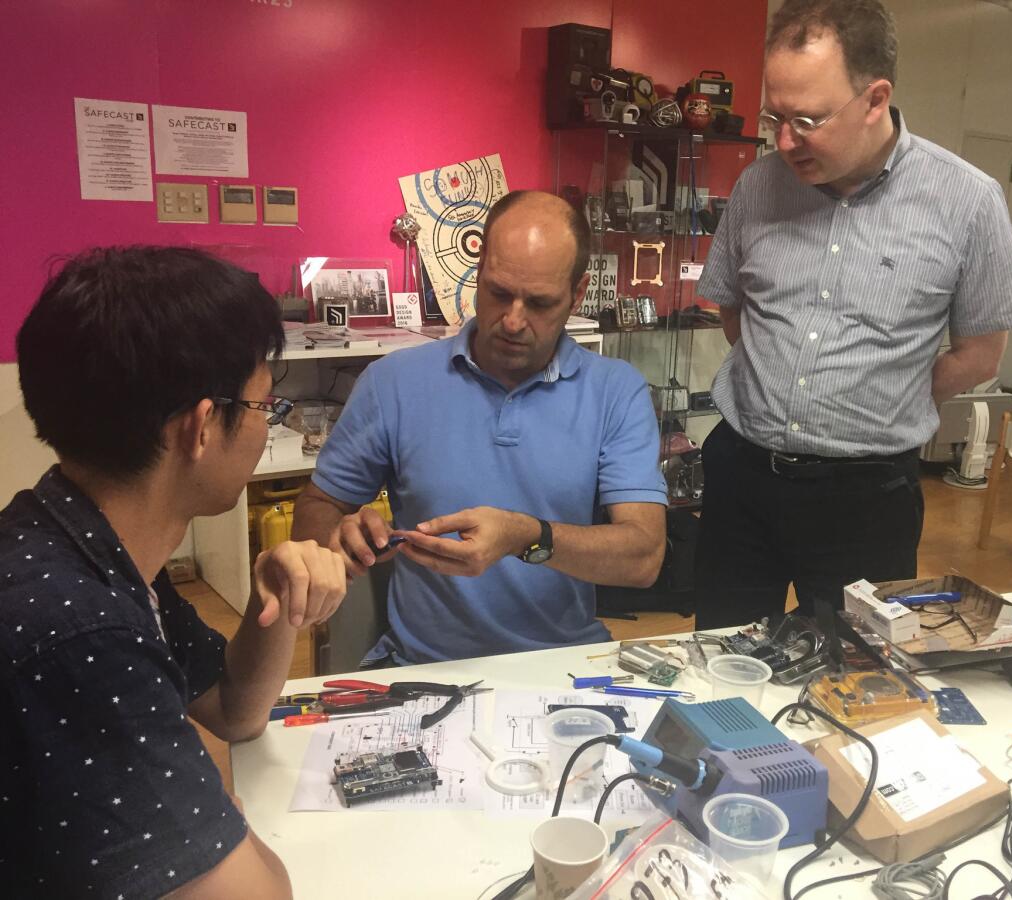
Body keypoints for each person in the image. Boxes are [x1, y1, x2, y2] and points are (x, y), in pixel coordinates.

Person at [0, 247, 347, 896]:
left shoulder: (84, 537)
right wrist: (219, 803)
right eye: (265, 408)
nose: (266, 426)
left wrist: (271, 595)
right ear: (202, 427)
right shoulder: (79, 632)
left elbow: (234, 713)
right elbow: (259, 893)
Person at [694, 0, 1012, 629]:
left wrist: (884, 395)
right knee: (722, 663)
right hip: (743, 476)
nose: (785, 140)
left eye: (807, 119)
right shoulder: (758, 187)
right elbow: (735, 312)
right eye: (776, 115)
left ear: (875, 99)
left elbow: (980, 355)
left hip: (866, 499)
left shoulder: (968, 202)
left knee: (854, 682)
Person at [292, 190, 667, 664]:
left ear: (577, 293)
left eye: (540, 303)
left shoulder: (616, 391)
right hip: (425, 666)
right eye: (498, 293)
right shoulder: (395, 382)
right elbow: (318, 507)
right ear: (478, 270)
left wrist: (527, 537)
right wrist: (339, 535)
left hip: (563, 665)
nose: (513, 321)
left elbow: (644, 556)